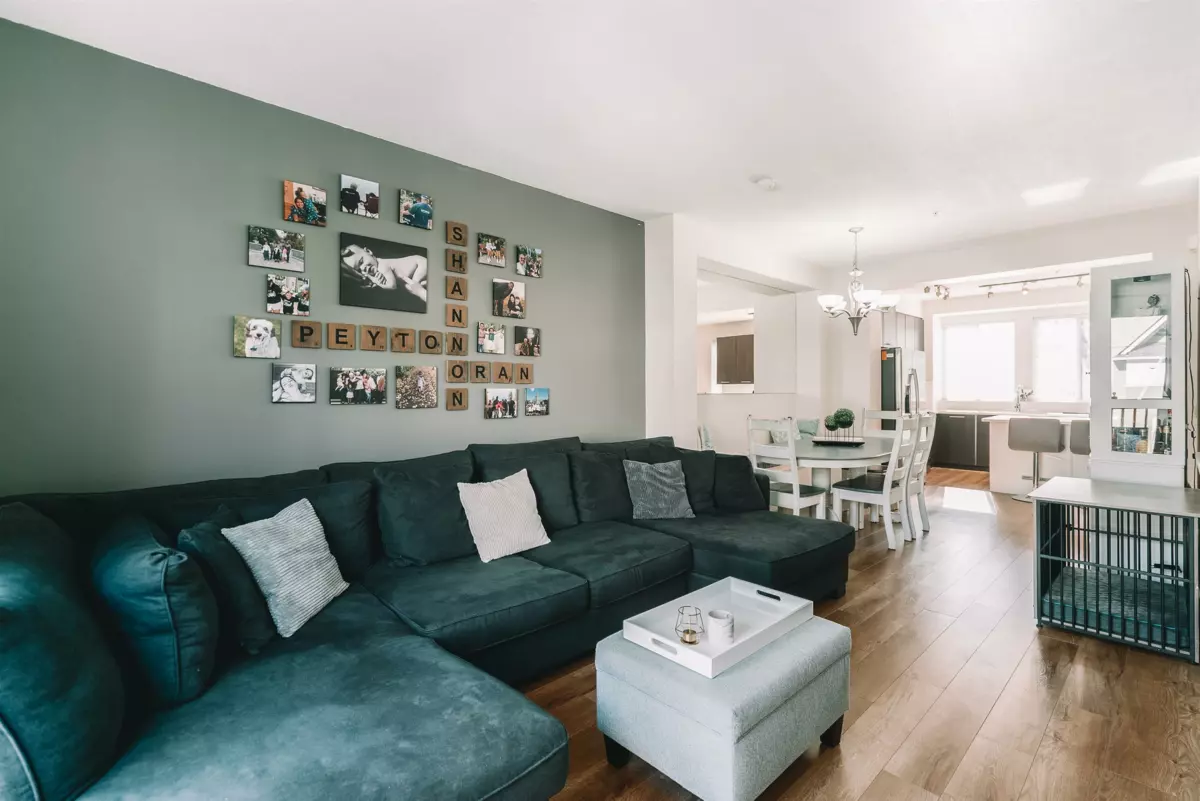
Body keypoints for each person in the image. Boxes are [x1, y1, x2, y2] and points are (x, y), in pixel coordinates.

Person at [340, 243, 427, 303]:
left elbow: (392, 286)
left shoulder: (382, 266)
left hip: (420, 263)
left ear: (368, 252)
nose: (363, 268)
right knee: (412, 286)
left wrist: (376, 281)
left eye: (361, 261)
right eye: (359, 270)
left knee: (412, 286)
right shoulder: (378, 269)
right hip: (419, 266)